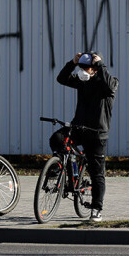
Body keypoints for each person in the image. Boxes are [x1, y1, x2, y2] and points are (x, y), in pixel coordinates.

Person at [50, 51, 118, 222]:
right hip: (78, 128)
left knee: (97, 173)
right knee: (57, 138)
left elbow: (110, 87)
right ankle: (61, 166)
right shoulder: (82, 82)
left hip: (97, 134)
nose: (83, 71)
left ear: (95, 69)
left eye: (86, 67)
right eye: (82, 67)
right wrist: (72, 62)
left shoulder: (109, 82)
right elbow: (61, 78)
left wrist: (100, 64)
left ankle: (96, 209)